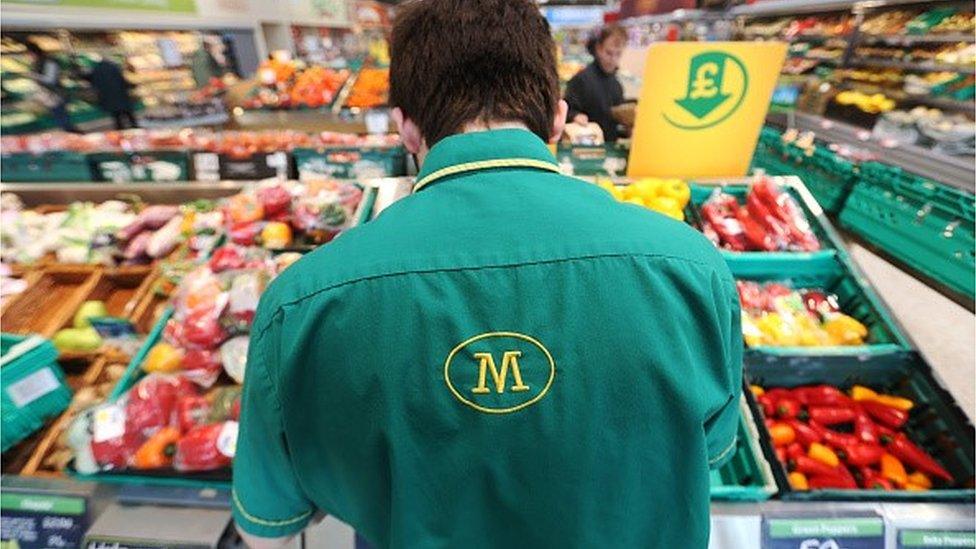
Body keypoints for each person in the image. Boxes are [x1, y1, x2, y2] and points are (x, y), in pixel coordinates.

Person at [232, 1, 741, 548]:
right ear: (558, 118)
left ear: (404, 128)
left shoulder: (300, 305)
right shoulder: (694, 271)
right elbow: (704, 453)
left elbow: (268, 528)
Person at [564, 25, 628, 142]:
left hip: (609, 148)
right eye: (609, 53)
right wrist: (575, 116)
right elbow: (566, 109)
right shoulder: (581, 80)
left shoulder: (617, 85)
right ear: (598, 49)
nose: (613, 59)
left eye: (618, 54)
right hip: (585, 147)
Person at [24, 41, 78, 133]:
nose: (28, 57)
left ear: (33, 53)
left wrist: (33, 76)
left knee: (64, 122)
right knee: (61, 121)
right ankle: (74, 138)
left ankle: (78, 139)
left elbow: (50, 79)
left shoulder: (50, 62)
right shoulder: (38, 62)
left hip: (56, 96)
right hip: (49, 96)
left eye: (28, 54)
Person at [82, 54, 137, 130]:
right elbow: (122, 80)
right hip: (120, 94)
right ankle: (135, 128)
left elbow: (90, 79)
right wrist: (132, 86)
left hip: (107, 96)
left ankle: (121, 130)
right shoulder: (114, 67)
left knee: (116, 116)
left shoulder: (96, 69)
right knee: (128, 113)